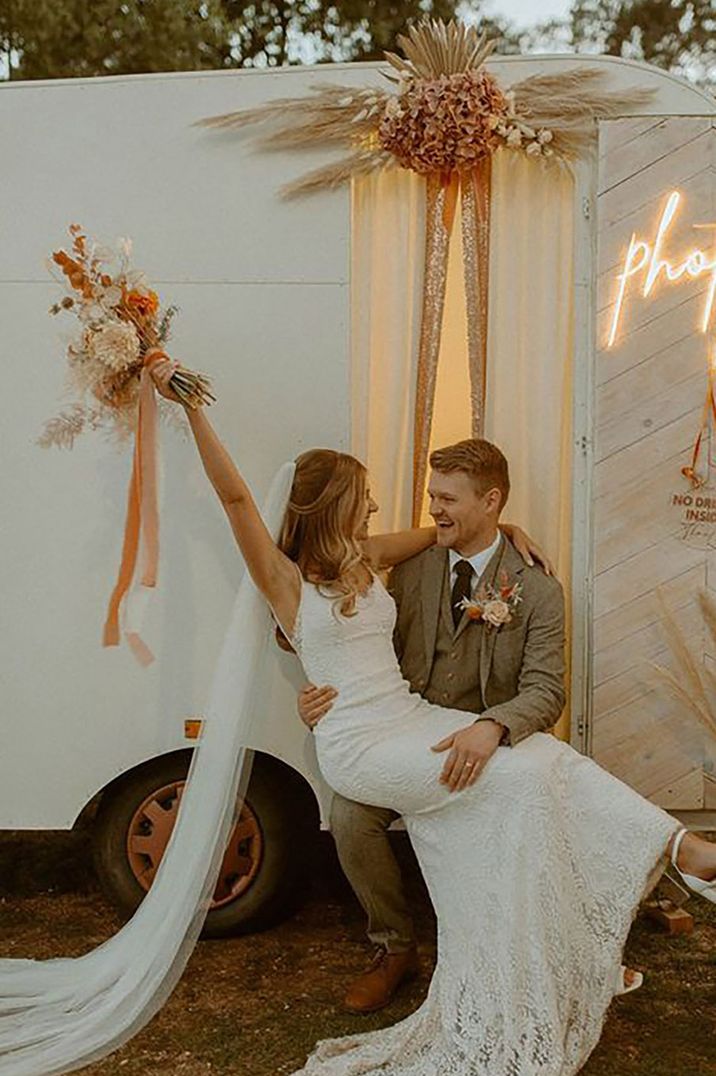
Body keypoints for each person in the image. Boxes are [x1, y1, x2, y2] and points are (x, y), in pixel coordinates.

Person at [150, 354, 716, 1076]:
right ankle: (433, 946)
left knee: (546, 761)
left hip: (409, 715)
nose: (385, 510)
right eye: (367, 498)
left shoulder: (365, 558)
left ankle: (677, 854)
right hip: (358, 740)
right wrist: (192, 406)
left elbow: (446, 535)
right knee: (515, 783)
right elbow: (234, 502)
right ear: (333, 505)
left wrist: (510, 532)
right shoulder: (284, 580)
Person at [296, 437, 568, 1014]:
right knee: (349, 811)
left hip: (482, 740)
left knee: (520, 795)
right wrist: (317, 693)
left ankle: (502, 945)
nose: (434, 511)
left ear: (491, 500)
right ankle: (394, 948)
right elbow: (345, 638)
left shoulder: (538, 588)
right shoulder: (405, 571)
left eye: (446, 499)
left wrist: (493, 727)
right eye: (431, 497)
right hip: (402, 735)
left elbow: (547, 692)